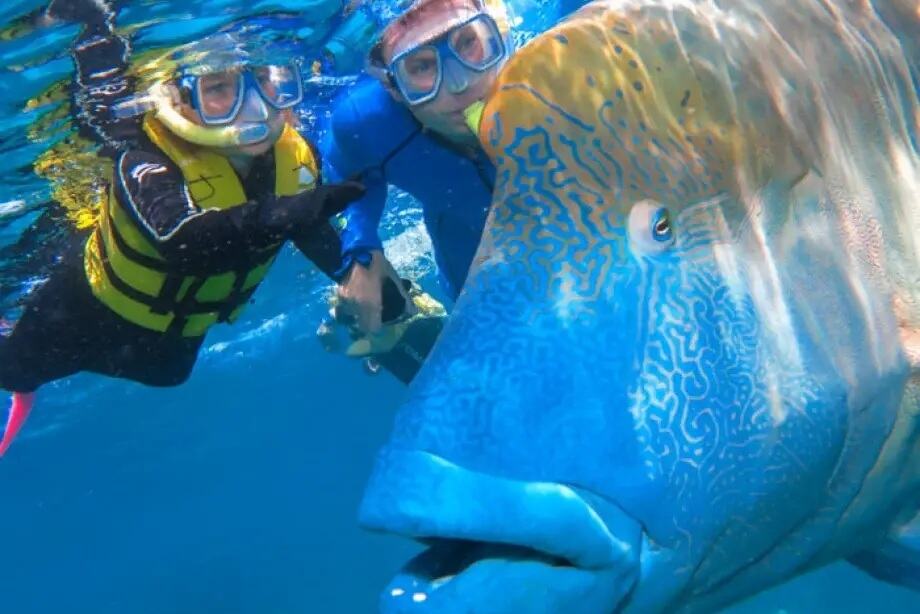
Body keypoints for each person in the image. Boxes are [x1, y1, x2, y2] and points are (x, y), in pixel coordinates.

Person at [0, 28, 365, 456]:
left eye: (266, 81)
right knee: (14, 370)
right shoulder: (143, 156)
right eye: (218, 89)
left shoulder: (294, 154)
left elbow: (308, 228)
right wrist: (298, 209)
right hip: (84, 310)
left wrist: (360, 269)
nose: (256, 107)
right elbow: (182, 241)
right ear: (180, 102)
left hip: (170, 339)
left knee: (168, 375)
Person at [321, 0, 517, 341]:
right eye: (422, 67)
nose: (460, 84)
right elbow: (347, 174)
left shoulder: (553, 73)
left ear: (496, 32)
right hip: (467, 254)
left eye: (467, 42)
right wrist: (361, 251)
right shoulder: (368, 123)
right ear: (392, 88)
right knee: (490, 331)